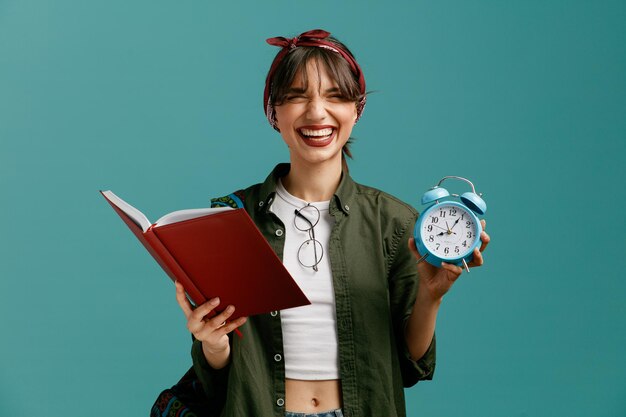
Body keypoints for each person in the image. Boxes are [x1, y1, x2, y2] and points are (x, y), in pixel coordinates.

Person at [151, 29, 490, 417]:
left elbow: (408, 365)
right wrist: (211, 342)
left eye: (336, 96)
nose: (316, 113)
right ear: (273, 111)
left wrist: (432, 296)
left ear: (357, 109)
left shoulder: (394, 223)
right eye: (296, 96)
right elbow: (220, 378)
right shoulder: (232, 219)